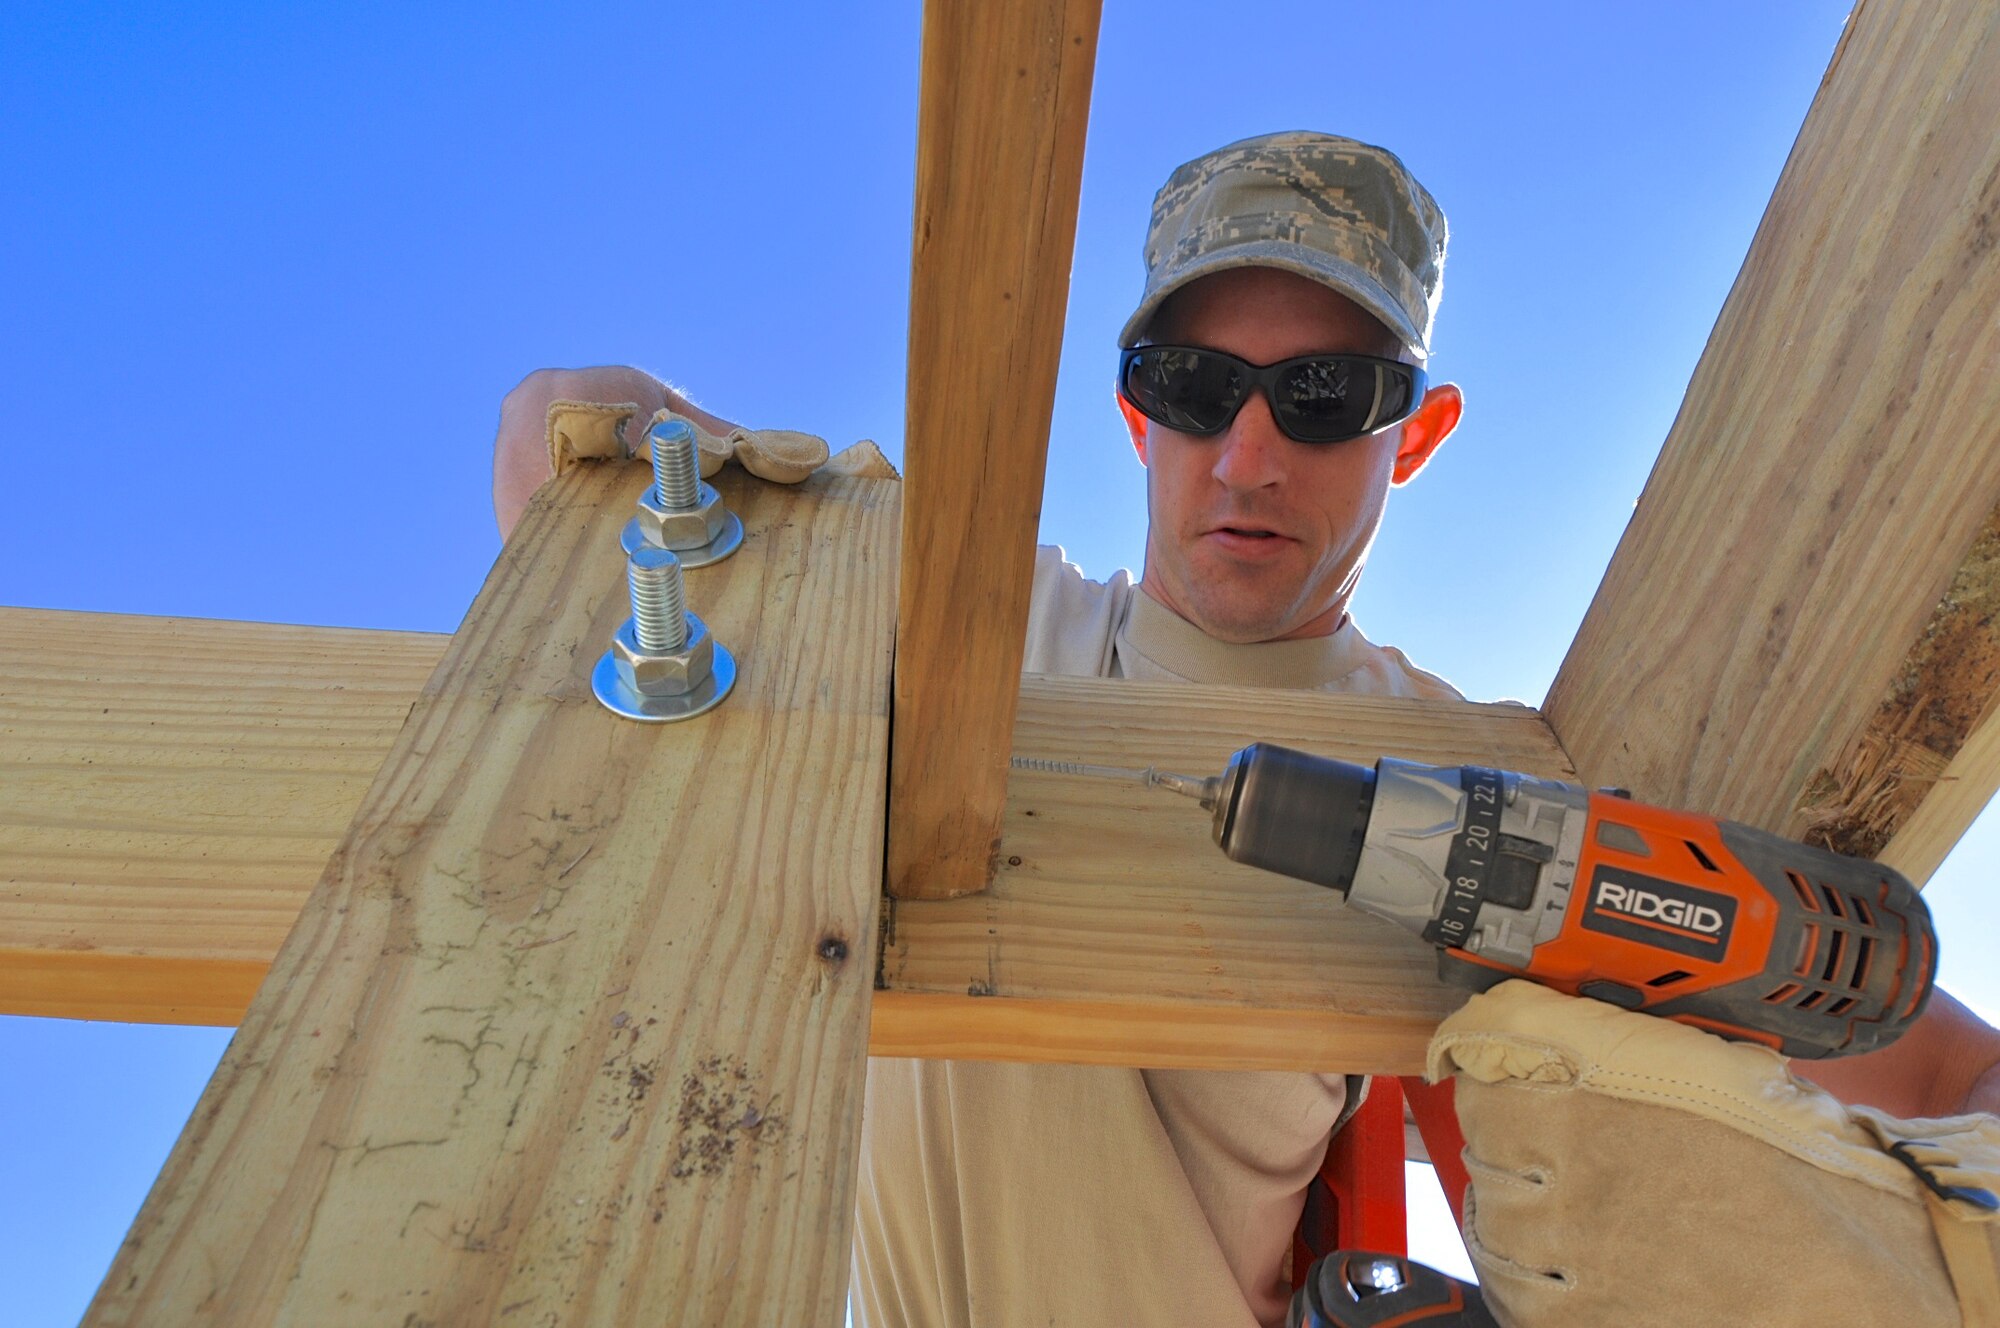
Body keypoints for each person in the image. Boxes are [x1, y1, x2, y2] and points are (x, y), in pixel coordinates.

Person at [492, 132, 2000, 1328]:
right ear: (1135, 412)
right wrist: (644, 440)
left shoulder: (1494, 790)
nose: (1251, 452)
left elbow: (1922, 1059)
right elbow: (553, 446)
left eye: (1327, 393)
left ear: (1420, 430)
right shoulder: (969, 622)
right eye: (1199, 388)